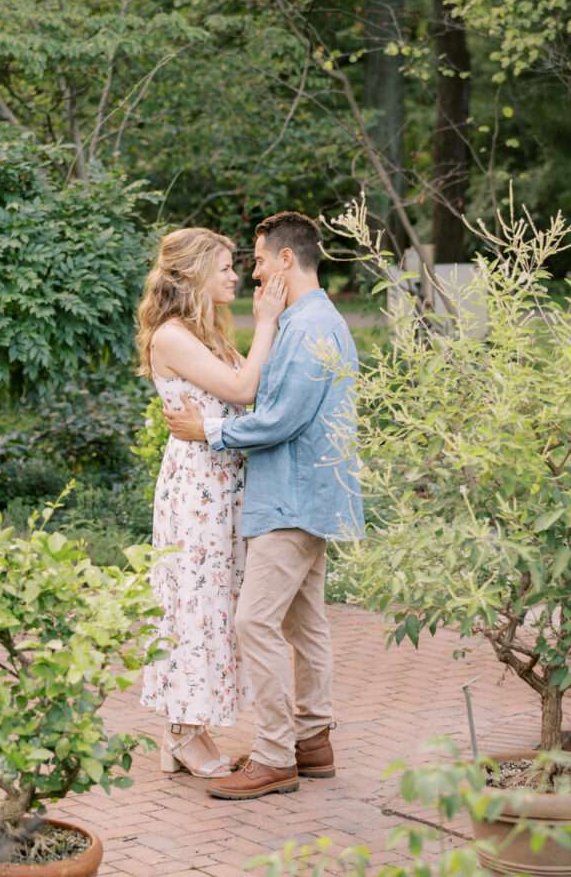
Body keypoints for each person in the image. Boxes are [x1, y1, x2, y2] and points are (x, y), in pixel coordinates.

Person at [164, 211, 364, 800]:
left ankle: (277, 755)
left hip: (292, 498)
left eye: (256, 260)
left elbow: (280, 418)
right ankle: (311, 742)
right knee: (305, 623)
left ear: (284, 260)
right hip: (302, 494)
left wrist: (211, 431)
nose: (252, 274)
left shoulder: (309, 328)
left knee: (255, 622)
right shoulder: (307, 322)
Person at [136, 227, 286, 778]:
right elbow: (245, 390)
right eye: (224, 266)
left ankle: (186, 728)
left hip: (222, 482)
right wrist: (267, 320)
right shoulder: (172, 337)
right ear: (194, 271)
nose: (235, 275)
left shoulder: (209, 334)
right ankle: (182, 732)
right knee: (192, 604)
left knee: (218, 603)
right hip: (196, 488)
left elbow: (252, 390)